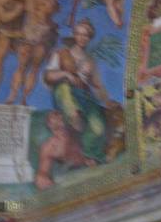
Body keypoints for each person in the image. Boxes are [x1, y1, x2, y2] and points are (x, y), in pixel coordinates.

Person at [37, 19, 111, 189]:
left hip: (84, 97)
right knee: (64, 90)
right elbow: (48, 76)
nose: (82, 38)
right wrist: (66, 75)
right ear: (74, 35)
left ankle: (90, 154)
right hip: (64, 92)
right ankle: (73, 115)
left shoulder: (90, 62)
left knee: (98, 128)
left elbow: (98, 86)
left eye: (86, 35)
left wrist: (107, 101)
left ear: (89, 38)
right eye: (79, 34)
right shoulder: (61, 53)